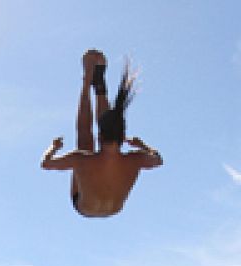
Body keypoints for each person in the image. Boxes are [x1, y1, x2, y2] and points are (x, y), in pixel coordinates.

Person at [41, 49, 162, 218]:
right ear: (122, 137)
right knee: (84, 145)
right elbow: (157, 159)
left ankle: (90, 83)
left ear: (101, 136)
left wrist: (53, 147)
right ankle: (98, 85)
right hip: (114, 209)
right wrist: (142, 145)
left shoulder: (81, 159)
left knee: (84, 142)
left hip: (84, 206)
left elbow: (46, 164)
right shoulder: (135, 159)